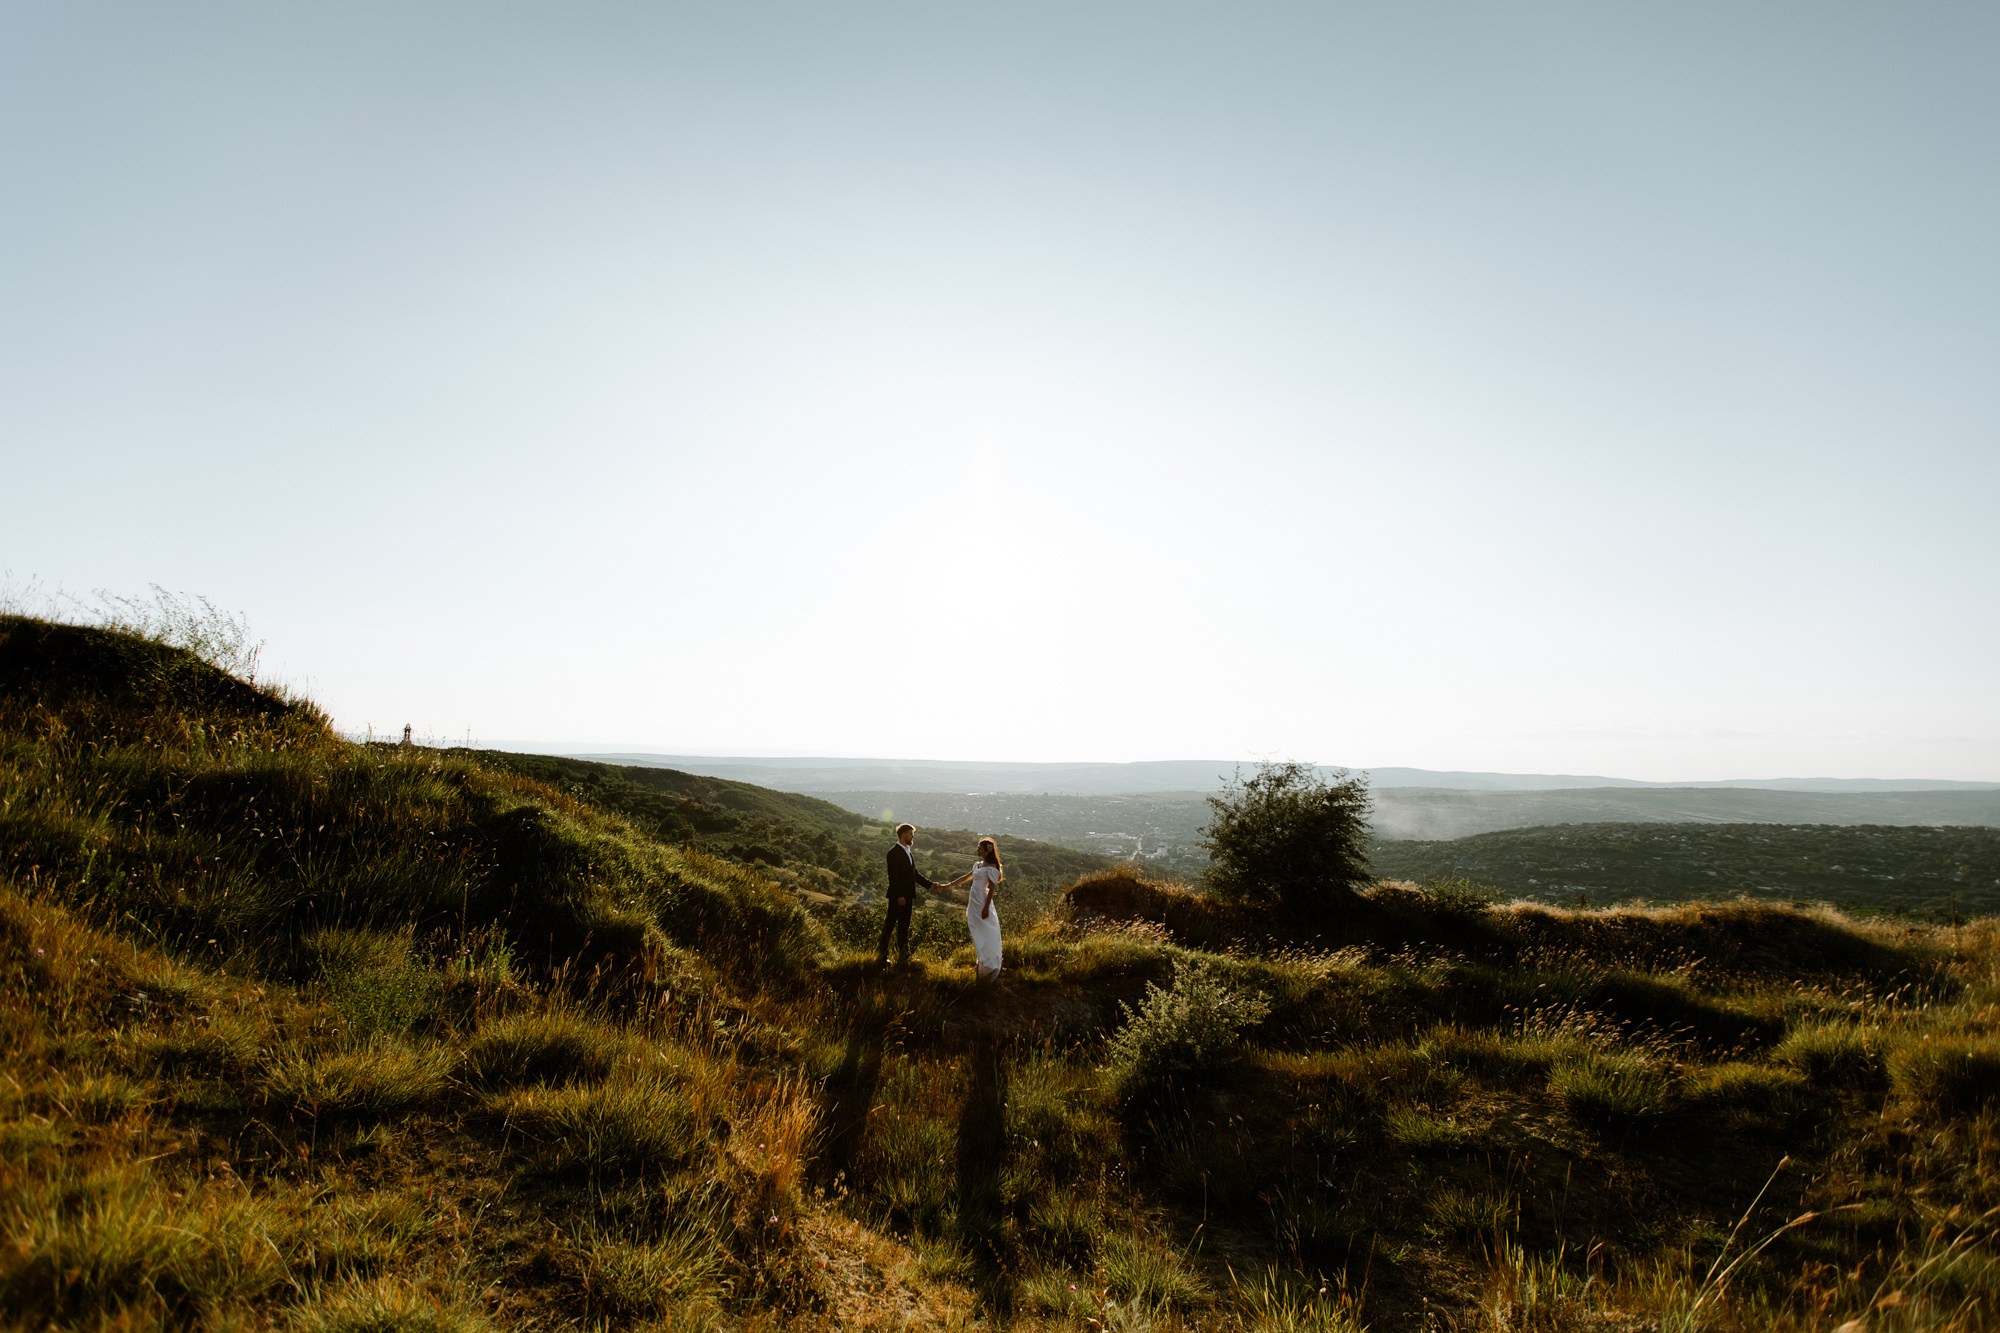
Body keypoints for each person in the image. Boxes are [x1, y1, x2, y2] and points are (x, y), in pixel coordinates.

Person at [944, 838, 1005, 981]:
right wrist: (947, 886)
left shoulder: (992, 867)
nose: (978, 850)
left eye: (980, 848)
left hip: (982, 901)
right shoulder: (977, 865)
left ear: (987, 851)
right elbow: (965, 878)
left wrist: (986, 908)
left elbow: (991, 889)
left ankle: (988, 963)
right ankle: (981, 961)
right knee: (975, 929)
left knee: (985, 931)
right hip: (974, 901)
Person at [878, 823, 938, 967]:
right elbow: (893, 877)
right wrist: (899, 896)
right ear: (904, 834)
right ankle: (882, 957)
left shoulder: (908, 852)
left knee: (904, 927)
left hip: (908, 896)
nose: (912, 837)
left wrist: (930, 885)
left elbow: (914, 875)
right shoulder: (893, 852)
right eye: (911, 834)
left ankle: (903, 957)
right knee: (889, 926)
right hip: (897, 897)